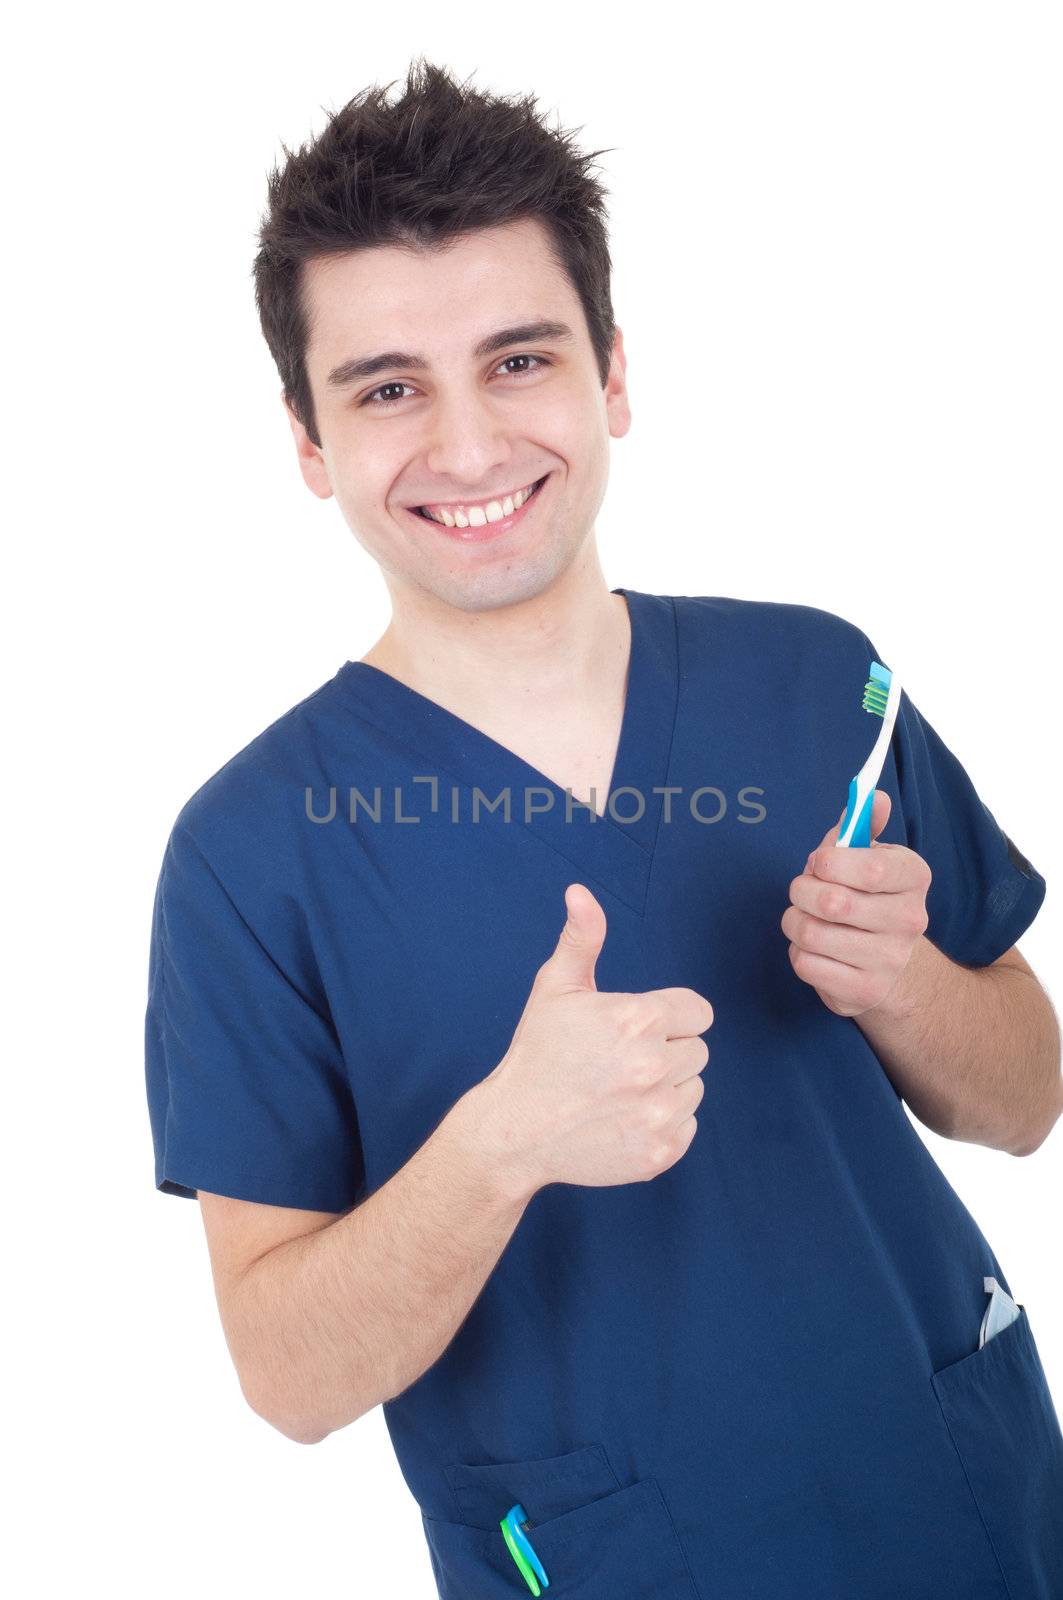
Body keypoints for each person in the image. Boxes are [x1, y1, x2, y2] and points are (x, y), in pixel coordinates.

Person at [144, 57, 1063, 1599]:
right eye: (387, 388)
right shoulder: (253, 854)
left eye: (519, 360)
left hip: (961, 1505)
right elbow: (285, 1374)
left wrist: (912, 989)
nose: (469, 444)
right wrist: (498, 1149)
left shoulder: (818, 683)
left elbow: (1030, 1095)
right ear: (309, 444)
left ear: (613, 373)